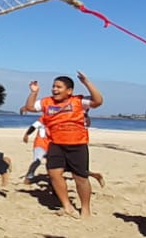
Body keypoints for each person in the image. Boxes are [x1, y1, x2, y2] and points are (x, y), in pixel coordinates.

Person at [23, 72, 103, 217]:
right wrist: (34, 92)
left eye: (59, 87)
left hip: (77, 144)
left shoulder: (78, 101)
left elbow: (98, 101)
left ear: (69, 91)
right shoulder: (47, 102)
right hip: (56, 144)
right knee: (54, 173)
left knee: (80, 178)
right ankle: (67, 206)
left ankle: (85, 209)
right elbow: (29, 107)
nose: (55, 89)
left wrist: (87, 83)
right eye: (53, 86)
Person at [22, 118, 49, 183]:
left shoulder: (59, 118)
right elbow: (34, 126)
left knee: (53, 162)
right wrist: (27, 134)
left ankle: (53, 177)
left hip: (52, 145)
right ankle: (29, 176)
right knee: (37, 161)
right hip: (40, 144)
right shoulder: (43, 118)